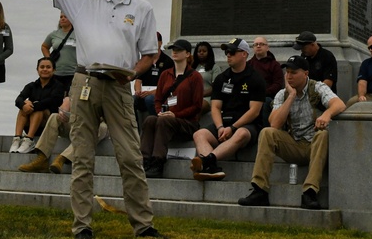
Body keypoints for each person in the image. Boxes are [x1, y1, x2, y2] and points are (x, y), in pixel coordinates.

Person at [0, 0, 166, 239]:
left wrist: (130, 74)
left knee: (129, 156)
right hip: (84, 82)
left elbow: (150, 55)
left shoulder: (142, 9)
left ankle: (144, 225)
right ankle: (82, 227)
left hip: (118, 87)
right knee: (83, 157)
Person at [238, 54, 346, 209]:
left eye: (293, 73)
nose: (289, 76)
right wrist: (291, 97)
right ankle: (259, 190)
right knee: (267, 132)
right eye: (287, 72)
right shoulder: (283, 94)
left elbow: (339, 104)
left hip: (315, 145)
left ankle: (310, 192)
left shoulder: (317, 87)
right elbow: (274, 124)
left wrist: (327, 114)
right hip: (294, 144)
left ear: (306, 74)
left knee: (323, 135)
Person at [190, 37, 266, 181]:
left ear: (244, 54)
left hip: (247, 125)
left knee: (241, 133)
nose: (228, 55)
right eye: (226, 52)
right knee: (199, 134)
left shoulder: (255, 79)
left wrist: (232, 127)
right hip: (224, 124)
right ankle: (211, 168)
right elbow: (216, 107)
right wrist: (219, 127)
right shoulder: (221, 78)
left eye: (232, 52)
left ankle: (207, 160)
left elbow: (254, 111)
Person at [141, 39, 204, 176]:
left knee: (164, 121)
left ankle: (158, 162)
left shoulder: (195, 77)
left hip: (187, 122)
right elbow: (157, 99)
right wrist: (160, 113)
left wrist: (176, 115)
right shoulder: (165, 74)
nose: (174, 52)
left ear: (187, 54)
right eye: (173, 49)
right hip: (167, 119)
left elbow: (197, 106)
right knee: (150, 120)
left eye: (179, 50)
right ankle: (145, 160)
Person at [10, 56, 62, 153]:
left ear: (54, 70)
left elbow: (52, 101)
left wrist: (33, 105)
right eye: (42, 67)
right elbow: (18, 100)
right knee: (23, 107)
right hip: (30, 124)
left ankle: (29, 140)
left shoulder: (58, 86)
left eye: (48, 67)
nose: (45, 69)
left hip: (48, 125)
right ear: (37, 70)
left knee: (38, 110)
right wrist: (24, 104)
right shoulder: (31, 85)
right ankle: (17, 138)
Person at [132, 33, 175, 115]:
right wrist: (138, 91)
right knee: (132, 100)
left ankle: (156, 121)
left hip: (159, 95)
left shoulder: (168, 61)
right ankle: (135, 126)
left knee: (149, 99)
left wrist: (151, 92)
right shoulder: (145, 60)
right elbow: (138, 79)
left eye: (155, 41)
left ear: (160, 43)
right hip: (144, 94)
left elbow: (168, 85)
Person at [42, 13, 78, 96]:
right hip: (57, 72)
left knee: (70, 98)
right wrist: (48, 60)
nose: (63, 19)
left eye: (65, 17)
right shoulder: (54, 34)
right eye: (61, 17)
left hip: (73, 72)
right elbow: (44, 46)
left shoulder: (78, 34)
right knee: (56, 97)